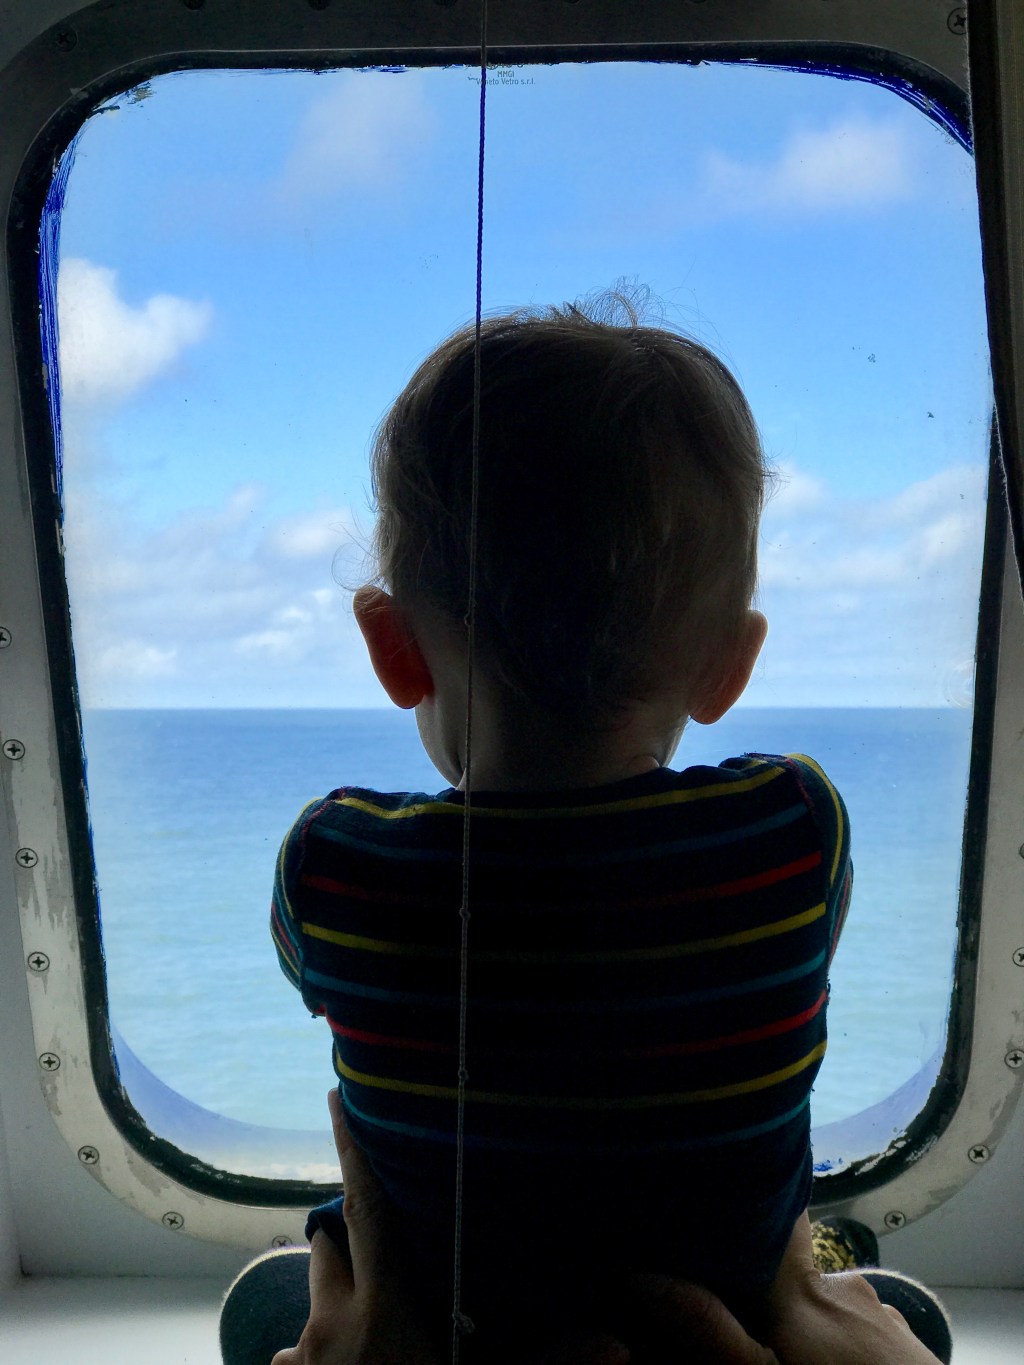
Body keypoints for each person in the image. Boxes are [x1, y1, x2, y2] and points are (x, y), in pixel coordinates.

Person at [269, 294, 859, 1356]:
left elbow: (316, 981)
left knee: (325, 1247)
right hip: (728, 1315)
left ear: (393, 649)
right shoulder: (794, 824)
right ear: (730, 665)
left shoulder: (336, 862)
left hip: (447, 1325)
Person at [220, 1092, 951, 1365]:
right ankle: (825, 1258)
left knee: (280, 1294)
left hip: (475, 1326)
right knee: (898, 1311)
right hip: (703, 1311)